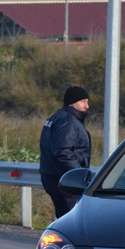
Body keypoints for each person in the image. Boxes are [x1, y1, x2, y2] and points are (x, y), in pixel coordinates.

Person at [39, 86, 92, 218]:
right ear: (71, 102)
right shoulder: (68, 122)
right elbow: (62, 152)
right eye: (83, 101)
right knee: (73, 221)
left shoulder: (56, 118)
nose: (87, 106)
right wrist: (79, 175)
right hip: (66, 181)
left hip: (53, 177)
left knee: (64, 218)